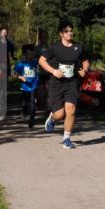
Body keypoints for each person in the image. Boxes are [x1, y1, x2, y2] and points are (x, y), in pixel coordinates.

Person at [38, 21, 89, 149]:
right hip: (56, 84)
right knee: (60, 114)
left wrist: (84, 70)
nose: (69, 33)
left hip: (71, 82)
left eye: (71, 30)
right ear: (61, 34)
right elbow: (41, 61)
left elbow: (85, 61)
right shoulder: (54, 48)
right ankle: (53, 118)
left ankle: (67, 138)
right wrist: (54, 71)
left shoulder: (78, 47)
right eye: (66, 31)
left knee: (71, 109)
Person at [14, 44, 39, 128]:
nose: (30, 56)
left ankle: (31, 120)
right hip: (24, 87)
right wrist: (20, 77)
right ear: (24, 54)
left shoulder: (35, 63)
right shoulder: (20, 64)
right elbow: (15, 75)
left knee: (32, 104)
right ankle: (24, 112)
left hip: (33, 86)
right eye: (28, 54)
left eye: (31, 54)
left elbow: (39, 72)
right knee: (24, 104)